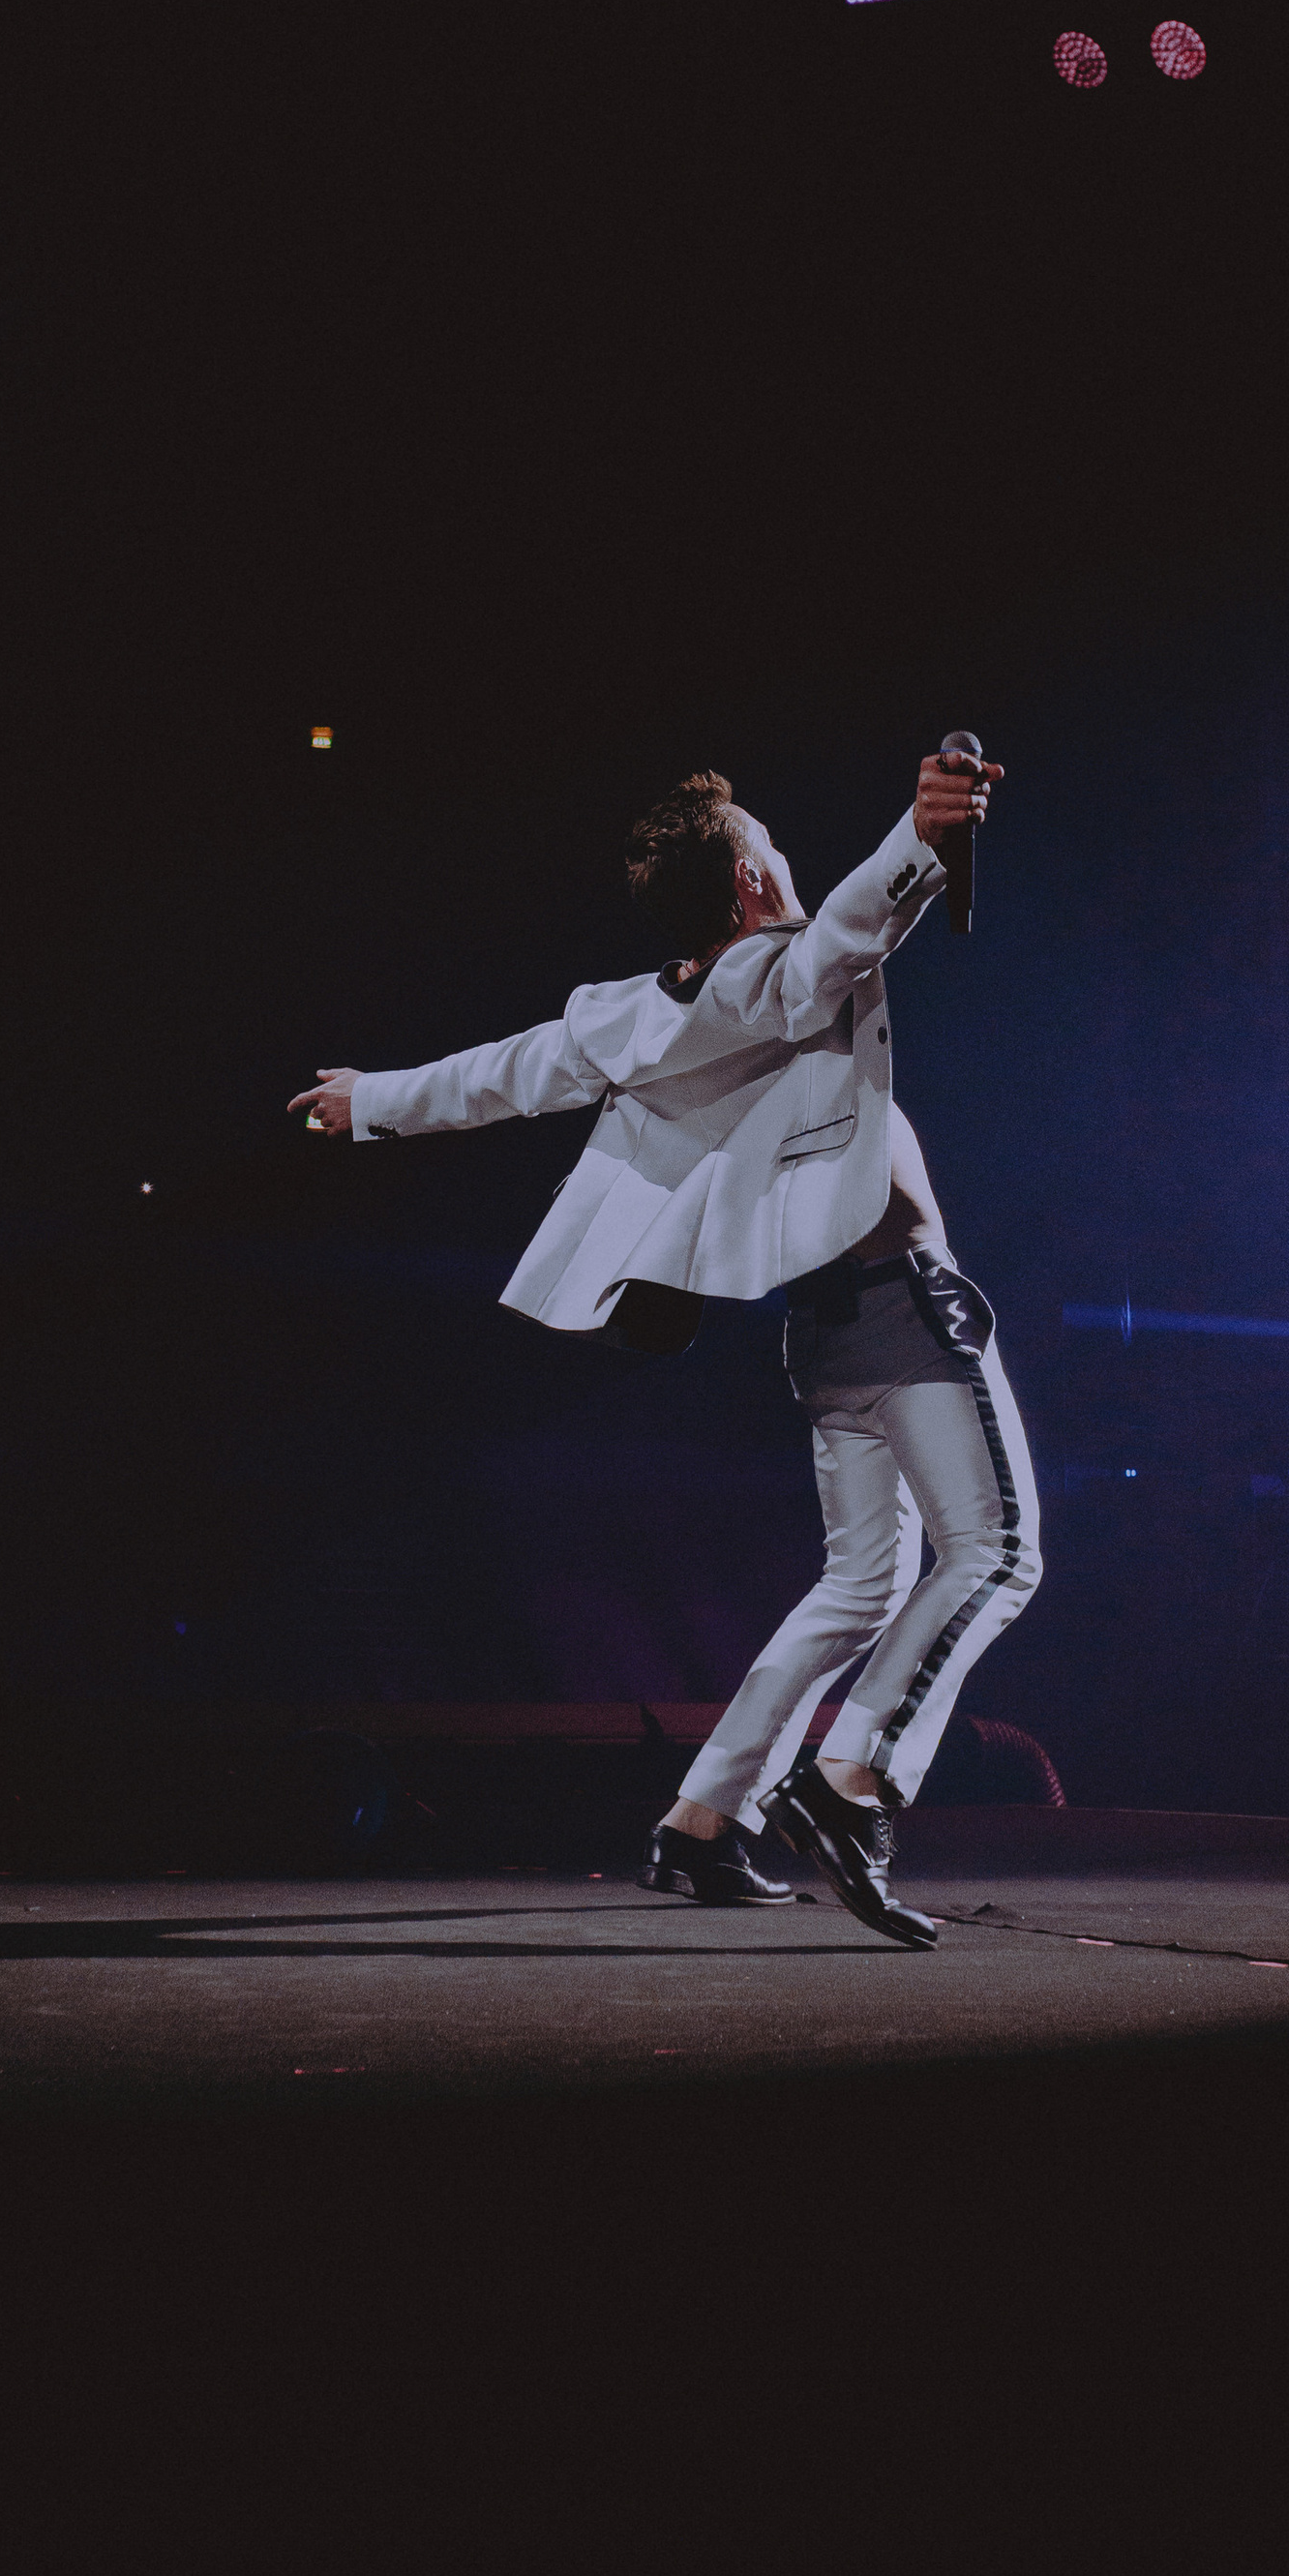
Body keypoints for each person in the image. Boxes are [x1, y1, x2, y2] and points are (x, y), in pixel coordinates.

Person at [286, 749, 1038, 1948]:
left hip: (827, 1334)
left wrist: (371, 1099)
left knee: (862, 1586)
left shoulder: (641, 1012)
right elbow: (849, 931)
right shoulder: (774, 976)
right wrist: (918, 832)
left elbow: (506, 1072)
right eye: (773, 850)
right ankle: (855, 1784)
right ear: (749, 877)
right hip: (901, 1307)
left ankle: (701, 1820)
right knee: (997, 1556)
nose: (786, 865)